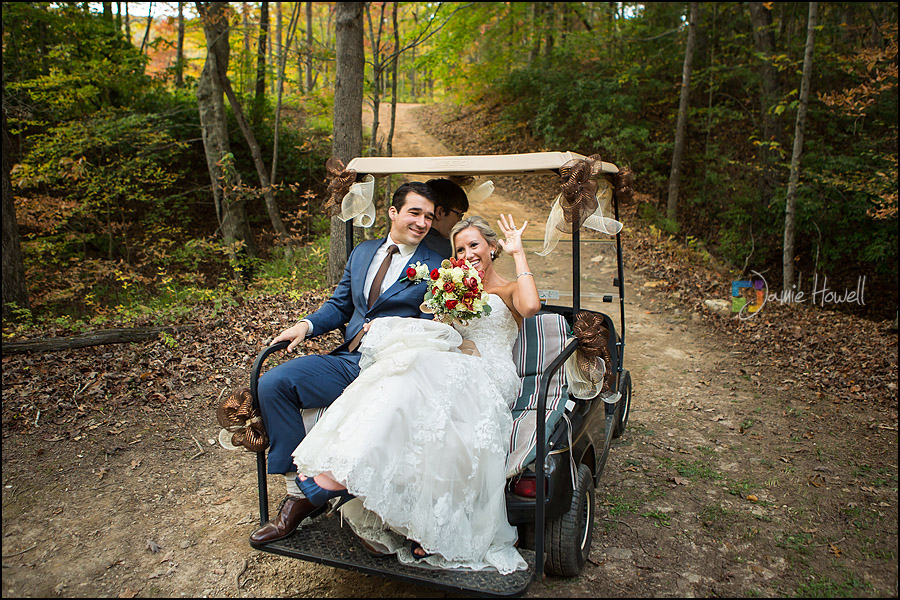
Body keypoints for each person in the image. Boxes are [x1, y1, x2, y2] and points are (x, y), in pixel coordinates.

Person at [289, 214, 542, 573]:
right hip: (455, 364)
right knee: (409, 368)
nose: (467, 253)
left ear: (491, 247)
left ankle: (414, 516)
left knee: (426, 372)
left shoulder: (510, 289)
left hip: (491, 372)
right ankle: (348, 471)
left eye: (474, 245)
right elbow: (443, 331)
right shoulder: (457, 287)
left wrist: (518, 252)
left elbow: (531, 307)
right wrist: (445, 310)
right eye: (459, 248)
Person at [249, 181, 447, 546]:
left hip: (395, 364)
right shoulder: (363, 253)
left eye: (429, 217)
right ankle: (300, 492)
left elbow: (437, 325)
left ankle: (337, 499)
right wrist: (304, 326)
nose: (422, 223)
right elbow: (340, 306)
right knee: (274, 383)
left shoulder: (438, 266)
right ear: (393, 212)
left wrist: (389, 327)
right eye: (415, 213)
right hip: (351, 359)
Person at [423, 178, 469, 258]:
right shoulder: (452, 252)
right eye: (459, 215)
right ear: (439, 212)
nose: (460, 221)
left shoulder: (410, 241)